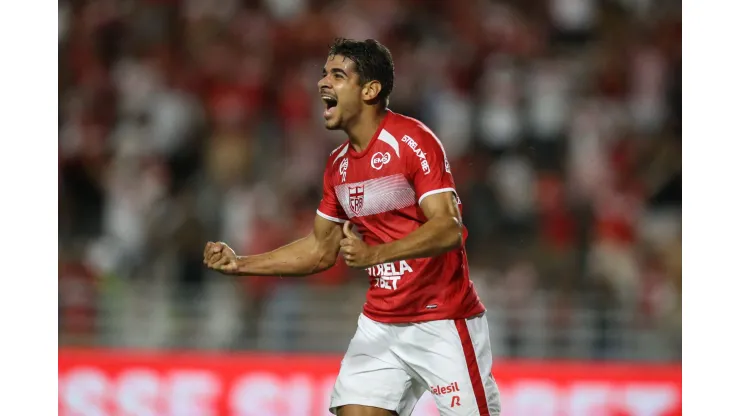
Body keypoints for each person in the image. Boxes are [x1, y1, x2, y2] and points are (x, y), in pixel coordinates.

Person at [204, 38, 501, 416]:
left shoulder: (412, 141)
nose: (322, 83)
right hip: (381, 322)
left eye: (337, 75)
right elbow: (319, 249)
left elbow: (449, 228)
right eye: (324, 73)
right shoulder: (338, 165)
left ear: (370, 90)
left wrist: (374, 254)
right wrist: (241, 264)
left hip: (442, 319)